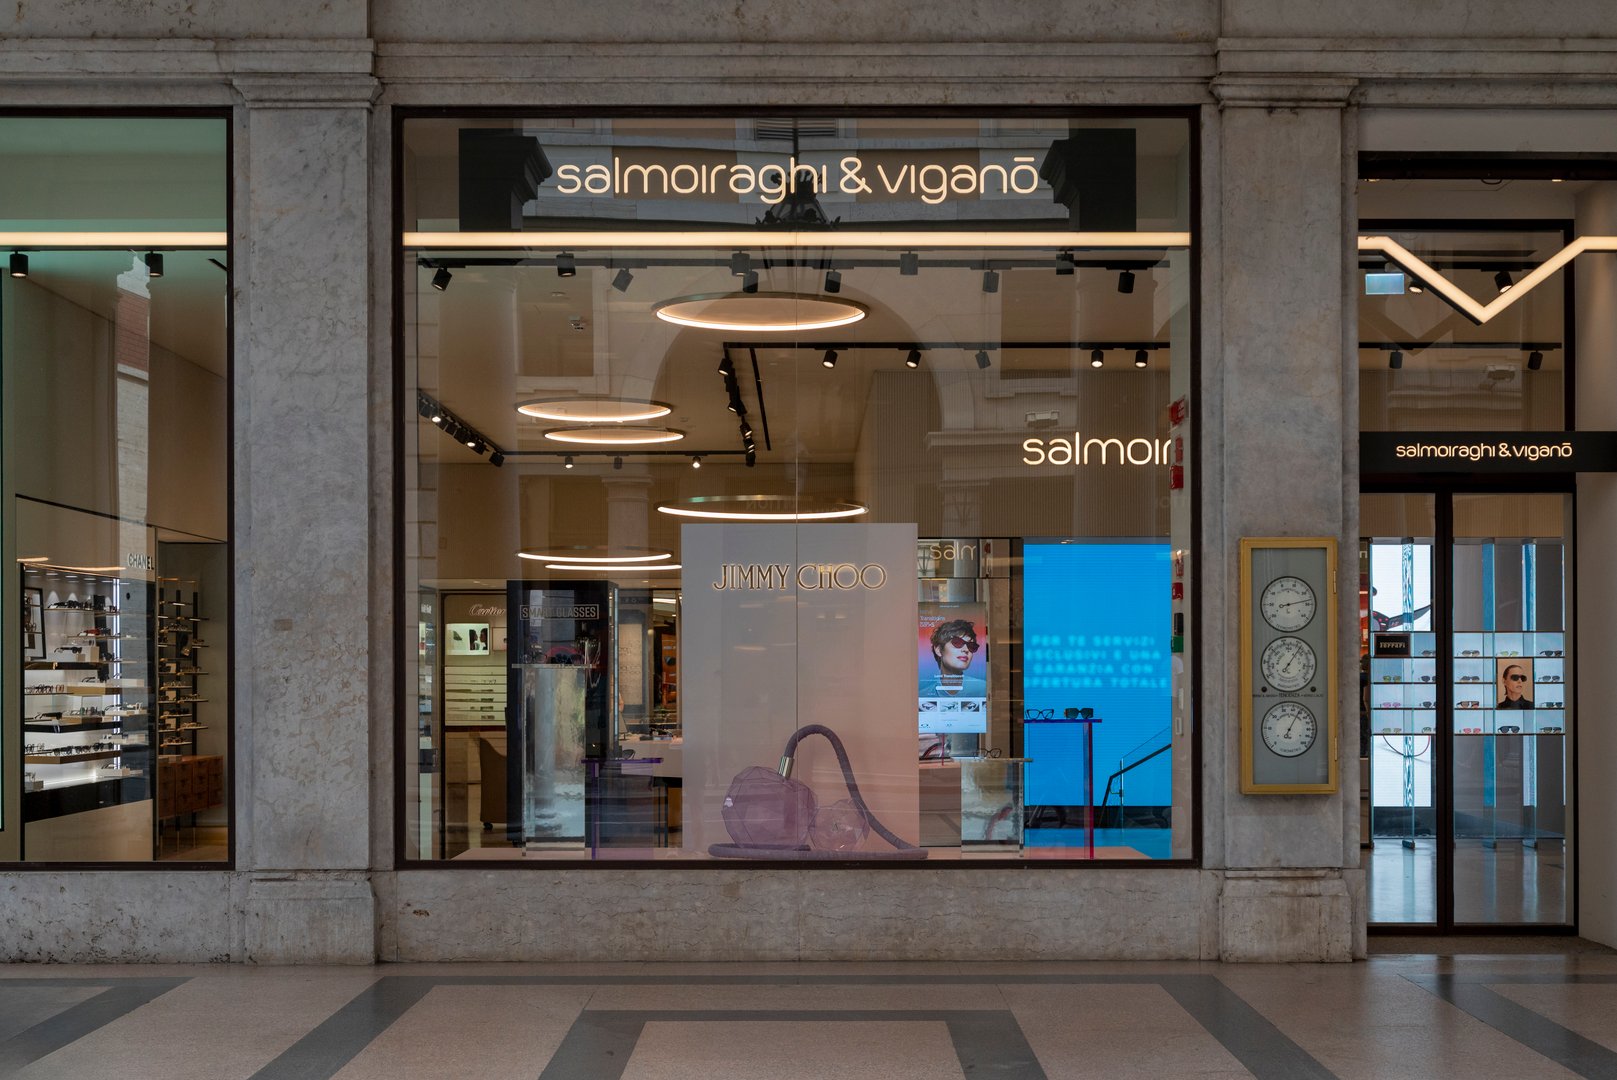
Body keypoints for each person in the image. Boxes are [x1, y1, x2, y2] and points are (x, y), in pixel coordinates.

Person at [921, 618, 987, 697]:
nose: (966, 650)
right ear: (938, 650)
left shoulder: (983, 689)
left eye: (971, 646)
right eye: (957, 642)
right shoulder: (923, 695)